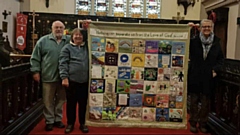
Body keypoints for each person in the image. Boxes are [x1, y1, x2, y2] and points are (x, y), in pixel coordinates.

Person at [30, 20, 70, 131]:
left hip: (63, 77)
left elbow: (81, 39)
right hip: (48, 76)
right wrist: (35, 71)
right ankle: (49, 121)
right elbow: (35, 57)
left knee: (61, 99)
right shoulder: (43, 41)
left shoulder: (68, 40)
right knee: (48, 100)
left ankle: (58, 119)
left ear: (64, 29)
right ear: (52, 29)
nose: (59, 30)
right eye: (56, 27)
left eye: (61, 27)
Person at [187, 19, 224, 133]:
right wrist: (188, 29)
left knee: (205, 103)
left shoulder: (216, 43)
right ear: (200, 28)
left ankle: (203, 123)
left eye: (209, 27)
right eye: (204, 27)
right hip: (195, 75)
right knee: (193, 101)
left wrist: (215, 70)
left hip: (208, 77)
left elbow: (221, 60)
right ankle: (193, 122)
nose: (206, 29)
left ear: (211, 28)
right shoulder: (194, 41)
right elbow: (183, 42)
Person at [59, 28, 89, 133]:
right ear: (72, 36)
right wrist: (64, 77)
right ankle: (70, 124)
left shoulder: (87, 47)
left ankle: (82, 123)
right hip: (72, 81)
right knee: (71, 104)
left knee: (83, 104)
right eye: (76, 35)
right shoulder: (67, 48)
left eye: (80, 35)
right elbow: (63, 63)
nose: (78, 36)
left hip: (85, 82)